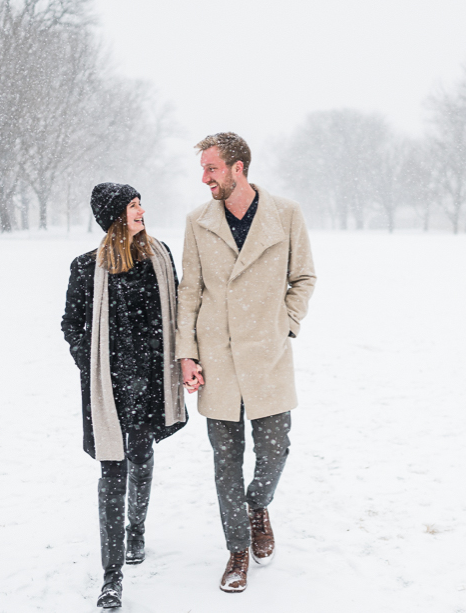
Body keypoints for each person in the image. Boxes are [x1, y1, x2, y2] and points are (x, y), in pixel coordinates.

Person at [176, 132, 316, 593]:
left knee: (276, 449)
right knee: (225, 461)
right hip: (217, 357)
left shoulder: (286, 214)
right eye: (203, 169)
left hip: (269, 353)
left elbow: (303, 278)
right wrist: (187, 354)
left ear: (239, 168)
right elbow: (190, 292)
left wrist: (286, 325)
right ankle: (237, 549)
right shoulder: (198, 222)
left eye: (211, 169)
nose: (204, 178)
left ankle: (258, 505)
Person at [61, 183, 187, 609]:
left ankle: (137, 531)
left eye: (140, 204)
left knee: (143, 456)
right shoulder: (85, 269)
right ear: (115, 216)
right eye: (134, 206)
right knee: (112, 474)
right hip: (109, 390)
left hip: (151, 384)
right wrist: (93, 366)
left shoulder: (160, 258)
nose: (142, 211)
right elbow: (71, 325)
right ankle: (111, 578)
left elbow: (180, 309)